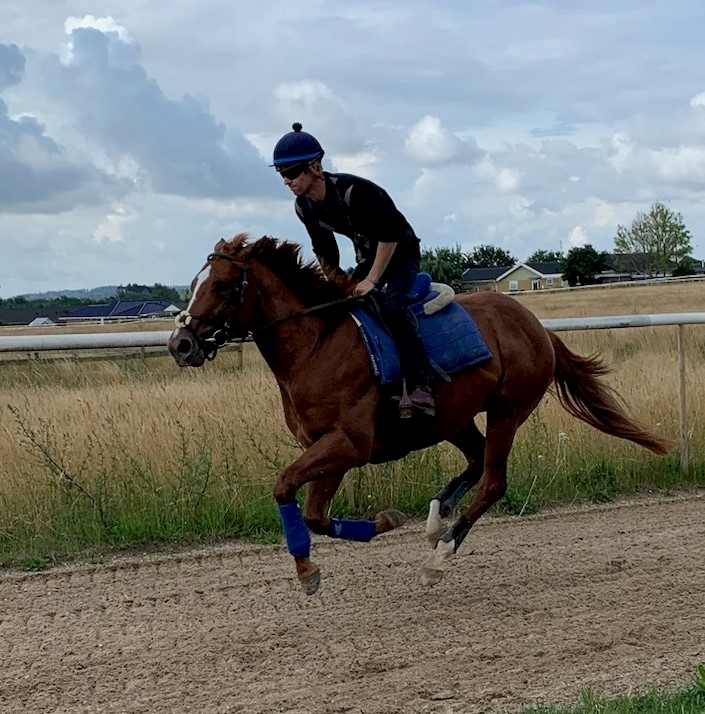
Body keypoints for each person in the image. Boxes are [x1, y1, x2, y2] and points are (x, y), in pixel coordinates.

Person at [271, 122, 435, 417]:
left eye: (292, 172)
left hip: (400, 254)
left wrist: (372, 280)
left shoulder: (356, 192)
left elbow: (390, 236)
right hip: (368, 259)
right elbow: (324, 248)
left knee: (395, 307)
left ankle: (421, 384)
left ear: (315, 167)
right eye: (281, 174)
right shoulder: (303, 207)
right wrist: (332, 286)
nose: (286, 180)